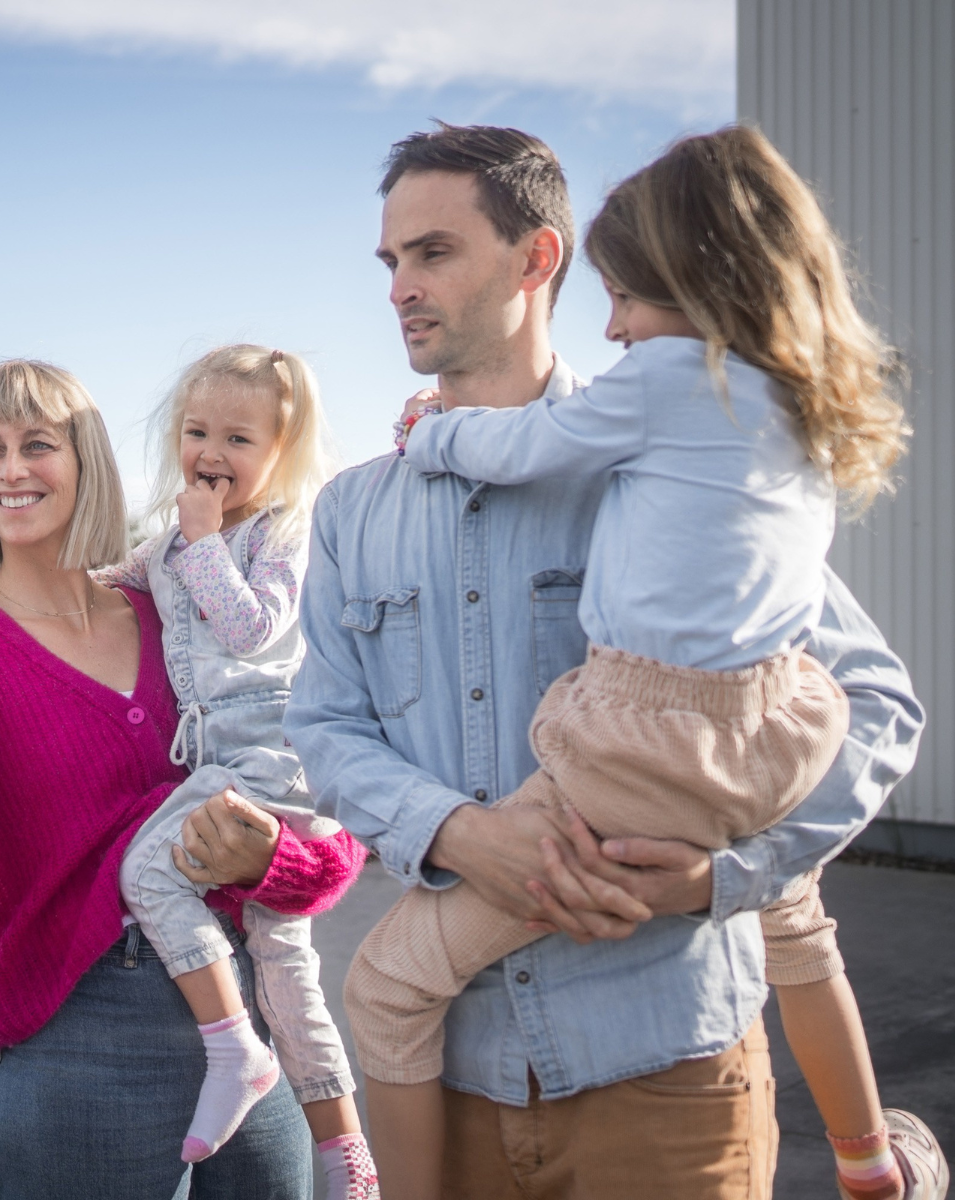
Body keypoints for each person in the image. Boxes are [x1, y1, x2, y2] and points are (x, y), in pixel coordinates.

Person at [285, 122, 924, 1200]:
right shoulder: (351, 510)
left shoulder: (677, 459)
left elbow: (874, 702)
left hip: (669, 1084)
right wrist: (460, 835)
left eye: (433, 252)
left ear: (538, 259)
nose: (400, 285)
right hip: (452, 1093)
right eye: (390, 261)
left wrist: (726, 879)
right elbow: (326, 730)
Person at [0, 358, 361, 1199]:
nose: (10, 469)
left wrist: (270, 866)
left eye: (38, 443)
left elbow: (325, 804)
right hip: (81, 1043)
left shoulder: (182, 610)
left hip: (254, 1027)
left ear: (86, 463)